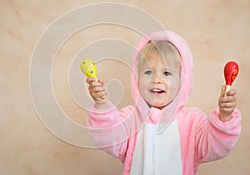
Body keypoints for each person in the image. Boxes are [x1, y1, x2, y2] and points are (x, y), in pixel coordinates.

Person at [86, 31, 241, 175]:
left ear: (182, 80)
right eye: (148, 72)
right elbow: (108, 138)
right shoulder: (130, 119)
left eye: (166, 73)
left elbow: (216, 147)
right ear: (136, 79)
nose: (156, 80)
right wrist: (101, 105)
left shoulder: (193, 122)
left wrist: (225, 117)